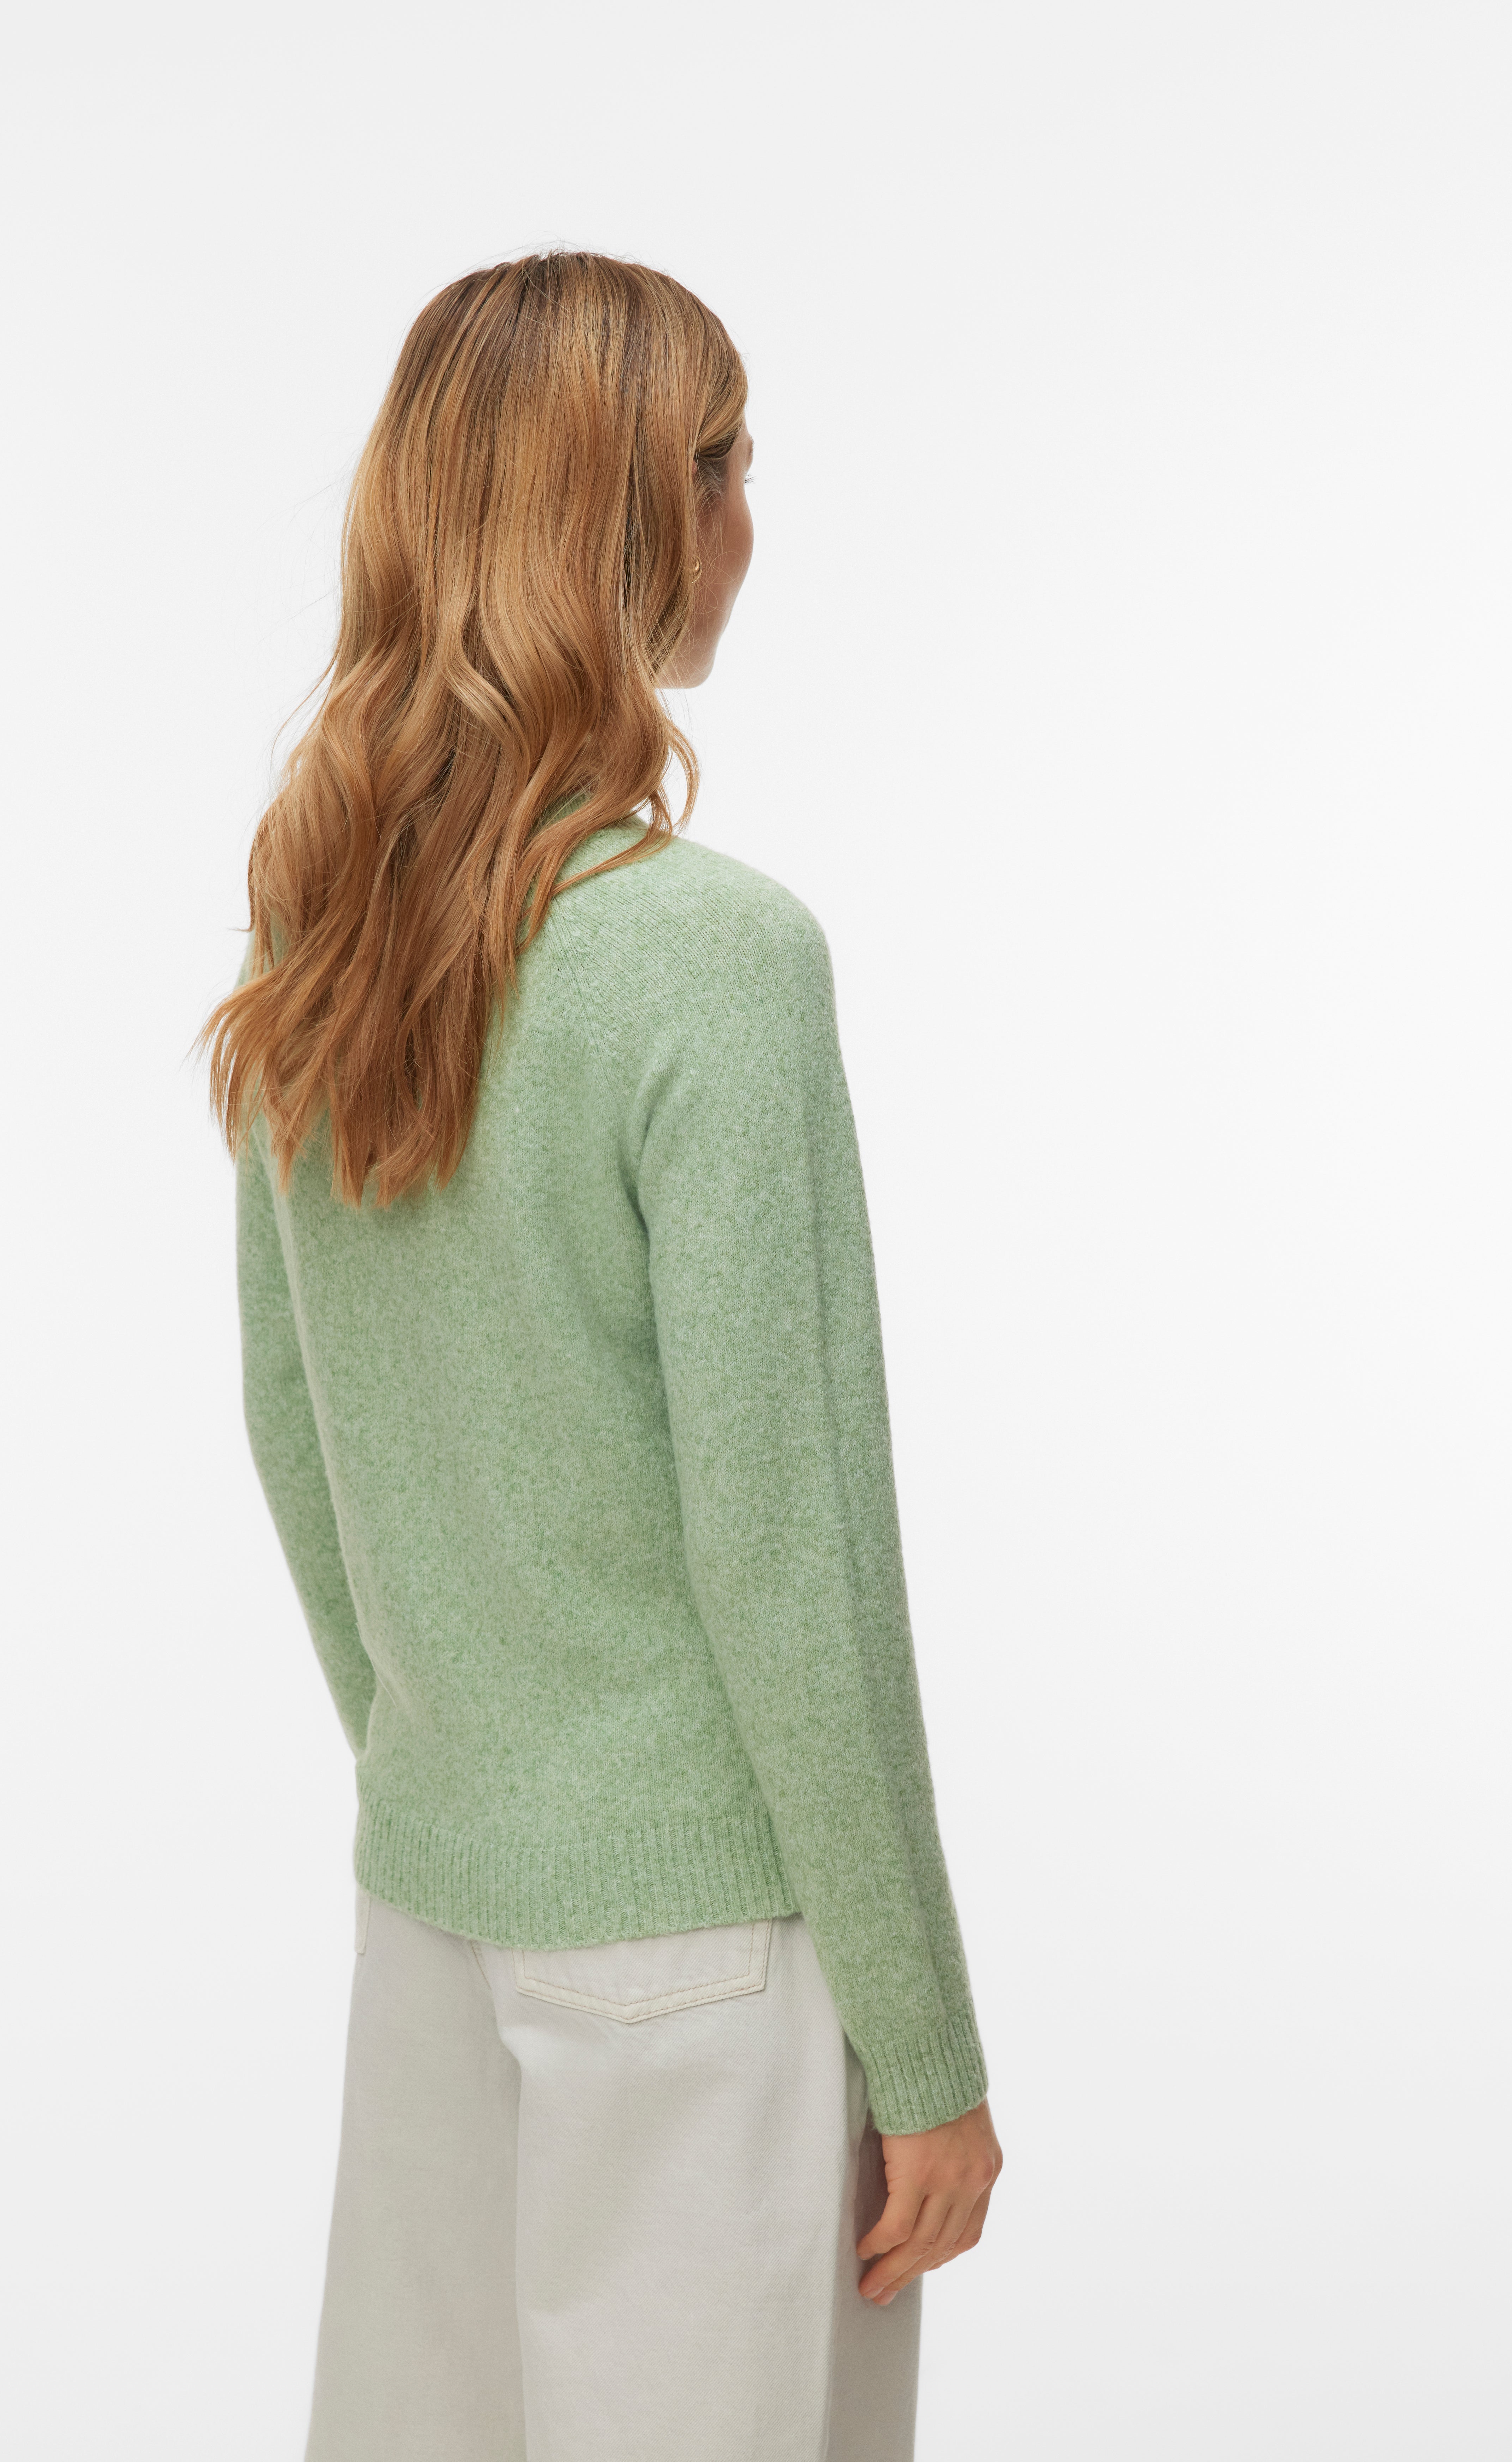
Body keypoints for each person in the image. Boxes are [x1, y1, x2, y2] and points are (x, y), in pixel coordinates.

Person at [202, 250, 1000, 2462]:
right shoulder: (712, 958)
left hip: (432, 1900)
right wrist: (926, 2046)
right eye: (724, 465)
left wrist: (456, 1758)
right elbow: (790, 1546)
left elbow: (292, 1425)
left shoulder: (322, 926)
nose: (752, 519)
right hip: (706, 1964)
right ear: (639, 518)